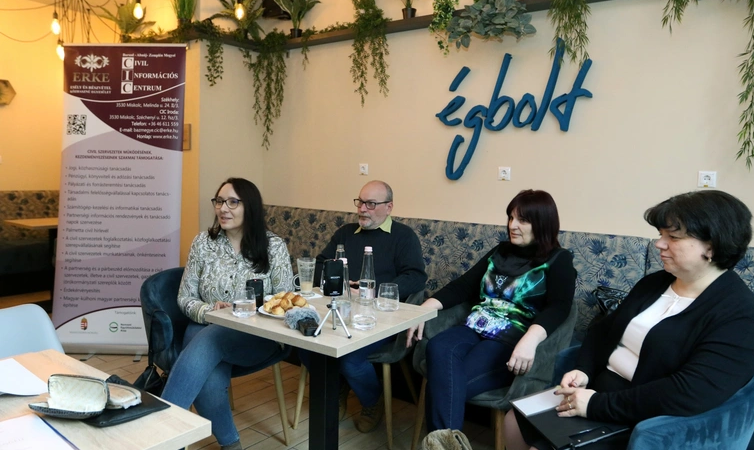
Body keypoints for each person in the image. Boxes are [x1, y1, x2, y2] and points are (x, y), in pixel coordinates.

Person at [504, 190, 754, 450]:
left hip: (644, 419)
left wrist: (595, 405)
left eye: (672, 237)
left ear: (711, 246)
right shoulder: (655, 283)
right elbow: (602, 332)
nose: (659, 244)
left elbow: (689, 392)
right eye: (661, 234)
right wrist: (583, 370)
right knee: (513, 420)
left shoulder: (741, 314)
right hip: (596, 395)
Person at [407, 189, 577, 433]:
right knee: (437, 346)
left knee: (448, 382)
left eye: (522, 220)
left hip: (509, 340)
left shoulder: (559, 259)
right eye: (511, 217)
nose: (512, 225)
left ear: (542, 223)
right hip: (474, 325)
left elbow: (560, 307)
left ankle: (439, 443)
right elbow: (464, 286)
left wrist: (530, 339)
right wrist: (423, 310)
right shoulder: (500, 251)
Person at [160, 178, 293, 450]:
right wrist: (209, 310)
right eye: (219, 201)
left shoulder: (274, 246)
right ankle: (229, 445)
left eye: (233, 202)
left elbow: (285, 301)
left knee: (209, 340)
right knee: (208, 362)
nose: (223, 208)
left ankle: (163, 435)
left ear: (250, 207)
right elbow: (185, 297)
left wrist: (246, 311)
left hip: (256, 335)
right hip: (206, 324)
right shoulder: (203, 243)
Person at [300, 180, 427, 432]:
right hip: (340, 311)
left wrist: (373, 290)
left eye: (370, 204)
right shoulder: (345, 233)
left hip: (381, 317)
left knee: (350, 360)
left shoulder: (403, 236)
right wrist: (340, 281)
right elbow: (320, 265)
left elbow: (416, 277)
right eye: (360, 202)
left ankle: (371, 401)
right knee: (305, 346)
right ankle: (337, 388)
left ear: (388, 207)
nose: (362, 209)